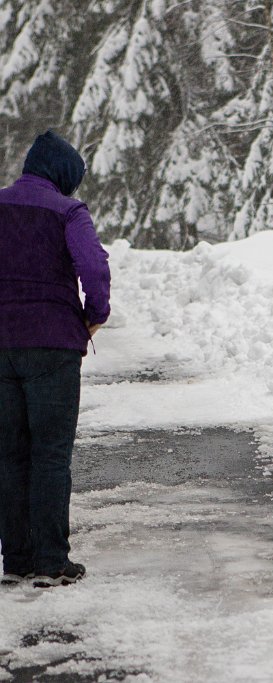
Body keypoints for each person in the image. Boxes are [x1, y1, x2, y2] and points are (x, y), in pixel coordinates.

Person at [0, 131, 110, 588]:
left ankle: (16, 560)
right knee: (49, 454)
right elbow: (94, 267)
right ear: (63, 176)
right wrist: (94, 314)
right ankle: (50, 561)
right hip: (53, 347)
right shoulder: (68, 212)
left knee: (9, 455)